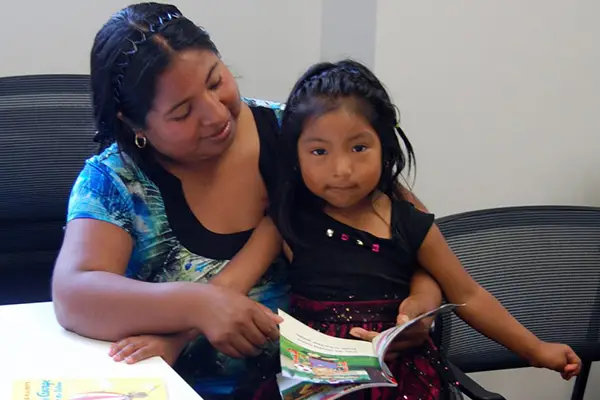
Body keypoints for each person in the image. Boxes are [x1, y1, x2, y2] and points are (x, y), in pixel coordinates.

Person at [51, 3, 442, 399]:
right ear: (134, 124)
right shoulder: (115, 181)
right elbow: (74, 294)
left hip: (347, 386)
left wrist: (422, 303)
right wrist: (198, 305)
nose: (216, 113)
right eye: (183, 112)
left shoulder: (302, 136)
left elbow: (416, 235)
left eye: (215, 80)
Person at [254, 59, 581, 399]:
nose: (341, 169)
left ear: (384, 147)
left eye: (359, 147)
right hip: (315, 378)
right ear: (296, 155)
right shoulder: (286, 220)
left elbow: (468, 295)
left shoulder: (409, 223)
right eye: (319, 151)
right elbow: (230, 289)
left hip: (401, 380)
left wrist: (536, 350)